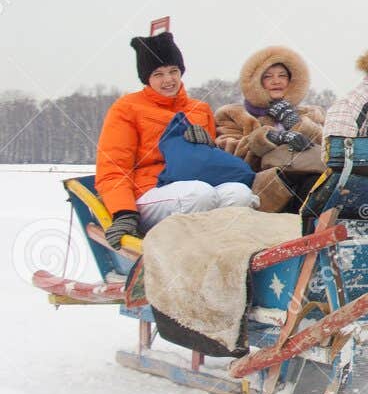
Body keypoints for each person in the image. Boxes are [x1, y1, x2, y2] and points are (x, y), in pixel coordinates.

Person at [96, 31, 257, 247]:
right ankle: (184, 258)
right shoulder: (127, 108)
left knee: (240, 194)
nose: (168, 80)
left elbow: (206, 161)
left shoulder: (200, 109)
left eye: (173, 71)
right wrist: (124, 212)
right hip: (149, 192)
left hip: (197, 186)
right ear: (147, 78)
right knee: (198, 194)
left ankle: (225, 254)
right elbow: (113, 168)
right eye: (158, 74)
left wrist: (207, 146)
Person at [214, 45, 327, 213]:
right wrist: (270, 138)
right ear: (257, 82)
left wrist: (296, 123)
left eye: (282, 76)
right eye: (268, 77)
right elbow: (230, 153)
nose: (276, 81)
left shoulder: (310, 114)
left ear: (291, 81)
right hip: (264, 187)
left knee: (318, 183)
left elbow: (328, 147)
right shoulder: (234, 114)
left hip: (308, 180)